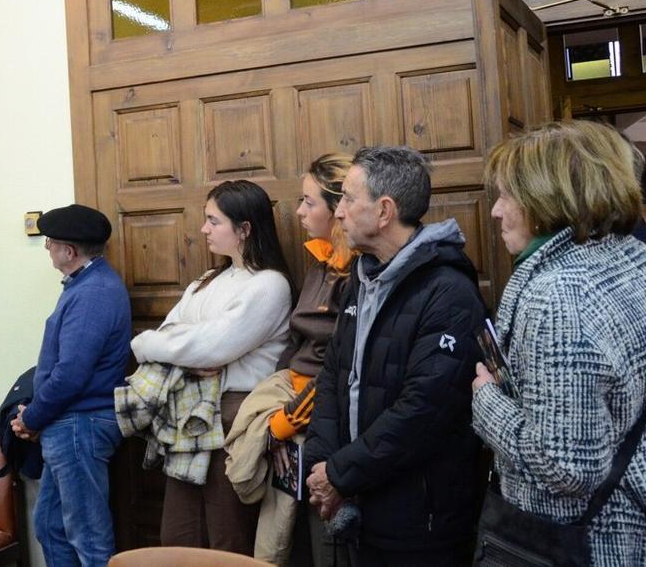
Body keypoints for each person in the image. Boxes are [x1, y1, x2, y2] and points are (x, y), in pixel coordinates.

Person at [473, 121, 646, 565]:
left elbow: (567, 467)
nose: (495, 212)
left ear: (546, 201)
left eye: (506, 196)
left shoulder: (559, 296)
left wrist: (486, 401)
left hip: (590, 539)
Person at [303, 146, 486, 565]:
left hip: (419, 522)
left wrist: (339, 474)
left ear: (384, 211)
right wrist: (323, 467)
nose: (340, 212)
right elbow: (334, 374)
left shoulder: (448, 292)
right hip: (358, 505)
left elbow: (422, 411)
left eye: (348, 198)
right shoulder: (360, 278)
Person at [129, 180, 293, 555]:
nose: (203, 228)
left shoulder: (270, 286)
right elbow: (174, 333)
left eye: (213, 220)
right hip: (189, 417)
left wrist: (180, 348)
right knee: (179, 533)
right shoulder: (207, 280)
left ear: (244, 229)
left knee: (226, 535)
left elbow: (209, 347)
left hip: (234, 419)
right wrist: (160, 347)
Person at [10, 204, 132, 567]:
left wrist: (31, 418)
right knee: (50, 526)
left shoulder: (94, 293)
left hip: (81, 425)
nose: (47, 247)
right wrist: (37, 417)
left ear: (70, 251)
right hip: (69, 423)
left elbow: (70, 375)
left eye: (51, 242)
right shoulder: (87, 285)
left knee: (90, 540)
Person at [260, 153, 355, 566]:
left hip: (323, 422)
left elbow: (338, 363)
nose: (298, 211)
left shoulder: (357, 273)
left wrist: (284, 422)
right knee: (288, 540)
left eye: (308, 202)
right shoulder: (319, 262)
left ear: (338, 209)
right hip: (292, 408)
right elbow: (296, 343)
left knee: (325, 542)